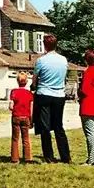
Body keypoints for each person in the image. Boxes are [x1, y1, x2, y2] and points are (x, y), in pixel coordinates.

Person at [32, 34, 71, 163]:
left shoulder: (41, 61)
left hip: (44, 94)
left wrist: (33, 86)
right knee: (59, 126)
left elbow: (35, 79)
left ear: (44, 45)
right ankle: (65, 156)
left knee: (45, 127)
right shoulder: (63, 60)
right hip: (59, 95)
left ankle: (49, 156)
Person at [9, 71, 34, 164]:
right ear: (27, 82)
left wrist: (13, 108)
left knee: (15, 138)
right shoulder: (29, 93)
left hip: (16, 117)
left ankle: (15, 158)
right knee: (26, 138)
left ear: (17, 81)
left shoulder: (14, 92)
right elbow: (31, 108)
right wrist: (32, 119)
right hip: (26, 117)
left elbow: (11, 106)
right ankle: (28, 158)